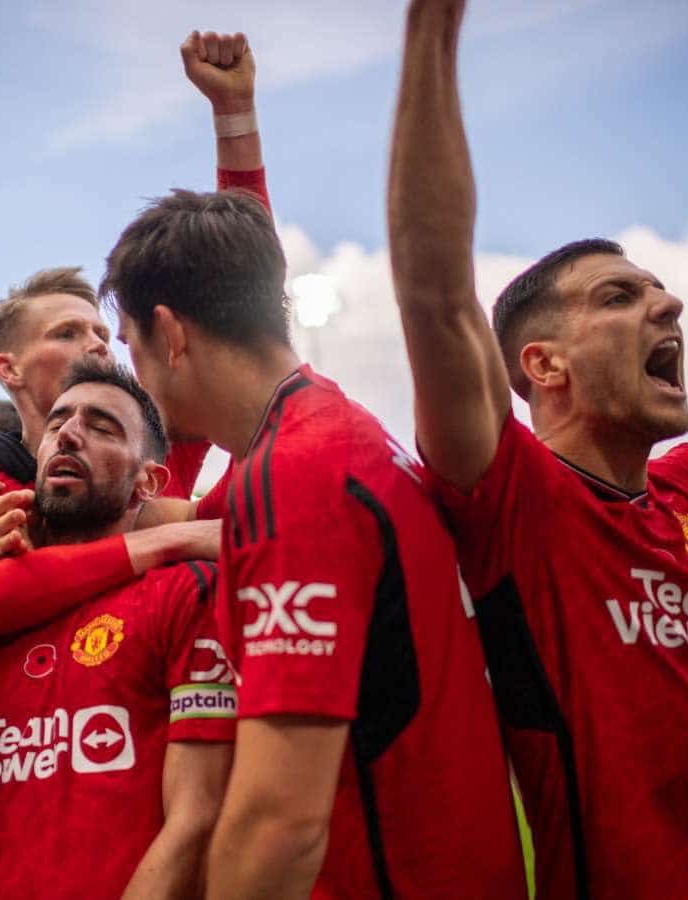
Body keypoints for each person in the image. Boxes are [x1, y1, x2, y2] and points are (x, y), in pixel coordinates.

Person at [99, 31, 526, 896]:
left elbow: (280, 825)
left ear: (171, 334)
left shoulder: (294, 475)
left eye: (131, 351)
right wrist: (237, 123)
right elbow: (246, 270)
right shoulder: (334, 430)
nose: (136, 383)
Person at [386, 2, 688, 897]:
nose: (668, 305)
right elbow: (433, 291)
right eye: (618, 296)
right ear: (542, 365)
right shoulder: (513, 498)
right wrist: (432, 34)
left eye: (658, 289)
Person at [0, 363, 234, 900]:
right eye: (57, 423)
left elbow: (198, 821)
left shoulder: (185, 594)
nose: (68, 433)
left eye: (102, 426)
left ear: (149, 480)